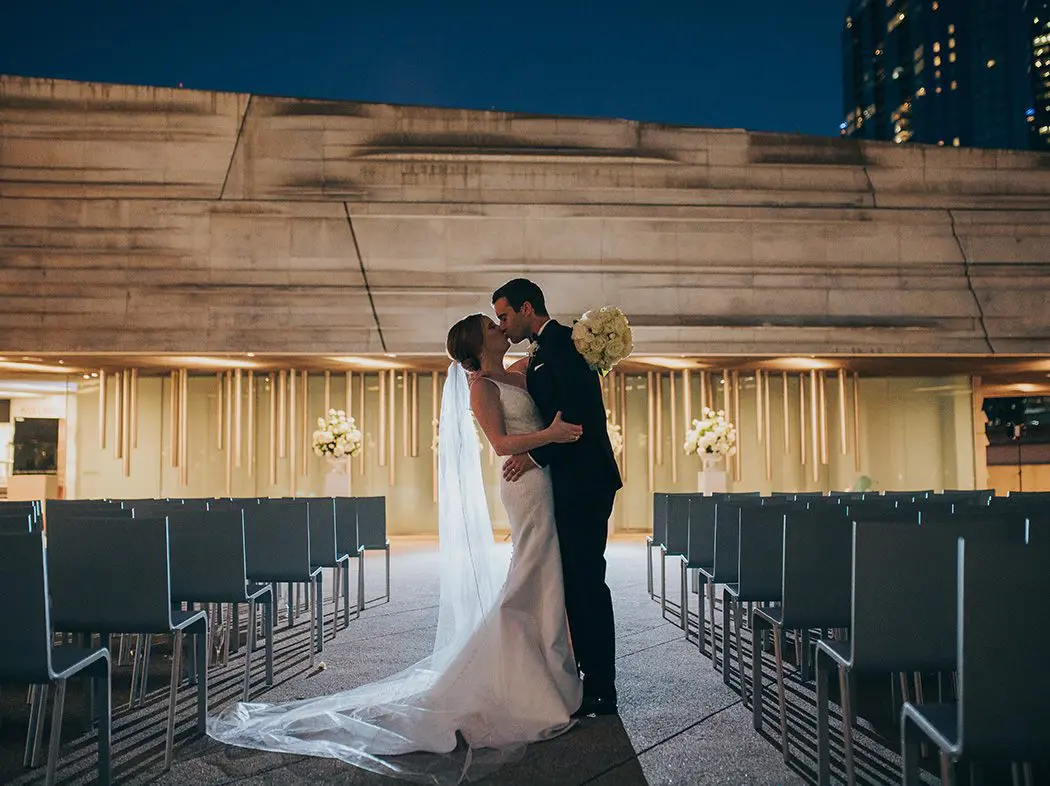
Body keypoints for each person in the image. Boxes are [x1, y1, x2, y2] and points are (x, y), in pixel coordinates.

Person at [207, 312, 585, 782]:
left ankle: (548, 671)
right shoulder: (480, 387)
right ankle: (520, 680)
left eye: (499, 321)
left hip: (543, 482)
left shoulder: (523, 371)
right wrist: (546, 437)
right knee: (530, 574)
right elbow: (500, 442)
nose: (500, 329)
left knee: (544, 574)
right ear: (477, 342)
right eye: (492, 326)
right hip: (524, 487)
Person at [491, 278, 623, 717]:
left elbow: (579, 418)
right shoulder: (541, 351)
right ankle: (589, 678)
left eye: (505, 316)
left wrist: (533, 456)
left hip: (585, 482)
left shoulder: (564, 343)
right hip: (569, 481)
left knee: (587, 581)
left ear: (528, 308)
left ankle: (602, 687)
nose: (502, 325)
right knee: (574, 583)